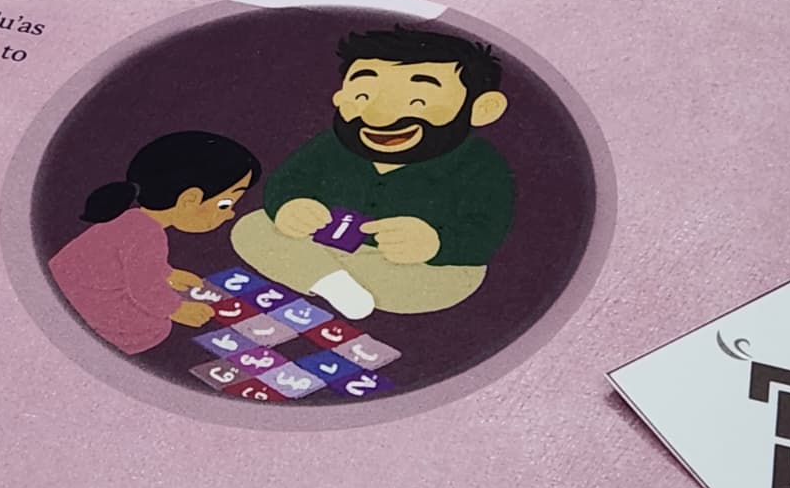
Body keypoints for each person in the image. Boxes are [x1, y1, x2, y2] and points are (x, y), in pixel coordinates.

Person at [230, 25, 514, 318]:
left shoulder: (482, 163)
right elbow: (288, 180)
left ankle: (322, 277)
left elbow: (486, 231)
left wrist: (435, 244)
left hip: (414, 267)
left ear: (481, 108)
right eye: (363, 96)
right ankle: (331, 282)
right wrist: (292, 206)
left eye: (417, 102)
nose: (378, 117)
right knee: (253, 228)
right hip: (322, 245)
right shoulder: (331, 143)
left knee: (448, 281)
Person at [49, 131, 261, 354]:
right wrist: (177, 310)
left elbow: (132, 266)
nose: (230, 214)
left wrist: (167, 274)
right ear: (190, 200)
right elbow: (143, 289)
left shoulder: (133, 218)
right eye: (225, 204)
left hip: (66, 288)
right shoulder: (148, 234)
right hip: (80, 302)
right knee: (154, 328)